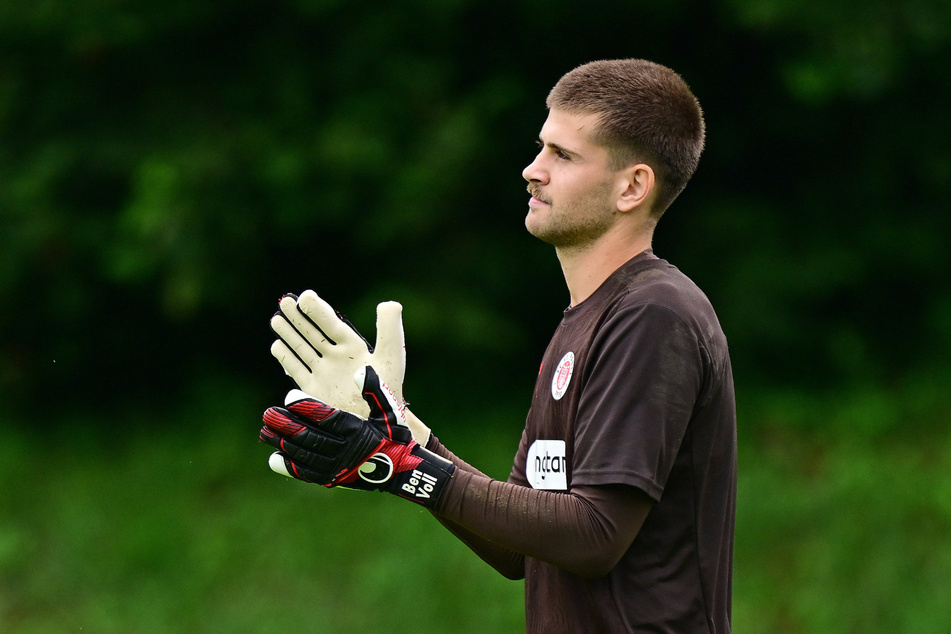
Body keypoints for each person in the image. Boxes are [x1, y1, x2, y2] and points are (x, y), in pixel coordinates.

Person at [260, 58, 736, 633]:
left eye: (563, 155)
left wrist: (399, 466)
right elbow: (518, 550)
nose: (532, 170)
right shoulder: (583, 322)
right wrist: (403, 431)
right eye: (541, 147)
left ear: (632, 186)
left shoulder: (654, 315)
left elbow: (594, 536)